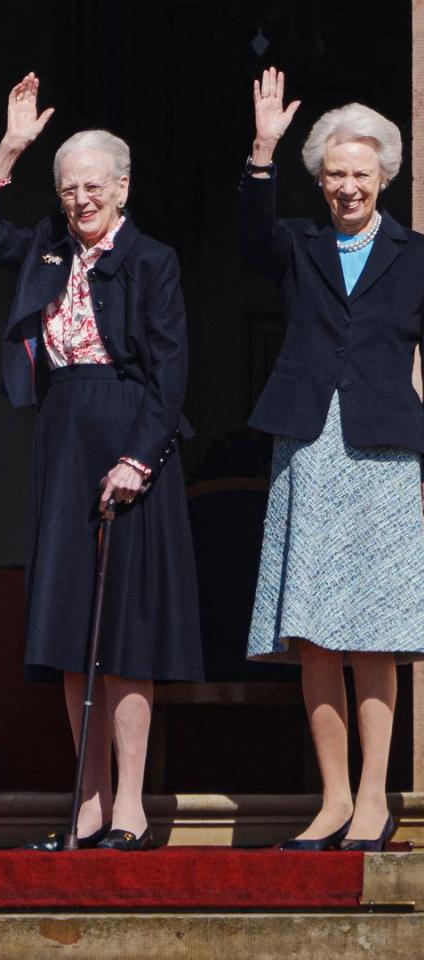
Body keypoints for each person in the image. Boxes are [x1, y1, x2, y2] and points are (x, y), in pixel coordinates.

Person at [0, 73, 202, 851]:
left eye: (92, 187)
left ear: (122, 188)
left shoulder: (154, 260)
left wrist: (139, 458)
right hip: (64, 434)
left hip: (133, 440)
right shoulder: (47, 247)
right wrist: (9, 149)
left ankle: (131, 805)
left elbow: (171, 373)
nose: (79, 200)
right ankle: (89, 805)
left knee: (126, 631)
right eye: (68, 188)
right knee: (70, 627)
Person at [243, 68, 424, 852]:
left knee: (374, 628)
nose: (348, 187)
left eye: (362, 173)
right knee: (313, 627)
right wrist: (263, 148)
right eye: (335, 175)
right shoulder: (300, 244)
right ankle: (333, 801)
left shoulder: (417, 256)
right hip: (310, 444)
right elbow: (248, 236)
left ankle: (377, 801)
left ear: (386, 175)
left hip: (383, 450)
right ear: (318, 182)